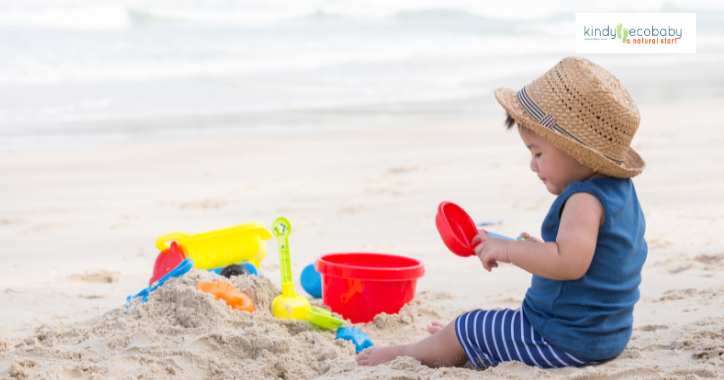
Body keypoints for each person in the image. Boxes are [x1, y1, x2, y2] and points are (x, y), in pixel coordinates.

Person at [357, 56, 648, 369]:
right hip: (604, 336)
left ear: (576, 150)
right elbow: (592, 261)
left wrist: (511, 250)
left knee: (466, 326)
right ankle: (467, 344)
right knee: (482, 329)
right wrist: (535, 250)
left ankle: (409, 353)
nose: (533, 165)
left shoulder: (583, 200)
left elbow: (570, 264)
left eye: (538, 153)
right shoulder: (619, 192)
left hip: (563, 340)